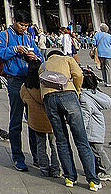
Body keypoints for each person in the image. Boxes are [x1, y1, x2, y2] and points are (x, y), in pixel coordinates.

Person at [40, 49, 100, 190]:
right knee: (81, 139)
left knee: (61, 140)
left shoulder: (43, 65)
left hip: (49, 99)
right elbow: (78, 74)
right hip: (68, 95)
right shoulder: (67, 59)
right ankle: (92, 180)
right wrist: (77, 90)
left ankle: (69, 178)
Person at [0, 10, 43, 172]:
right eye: (22, 24)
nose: (24, 28)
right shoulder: (4, 36)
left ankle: (37, 156)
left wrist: (34, 57)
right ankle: (17, 156)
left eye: (26, 25)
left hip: (30, 80)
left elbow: (39, 55)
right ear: (14, 21)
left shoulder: (29, 37)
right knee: (16, 120)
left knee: (33, 120)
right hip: (14, 80)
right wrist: (15, 49)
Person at [20, 61, 60, 178]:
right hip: (50, 120)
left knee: (40, 145)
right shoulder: (47, 85)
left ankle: (43, 168)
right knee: (54, 144)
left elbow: (23, 99)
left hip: (36, 121)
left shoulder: (26, 86)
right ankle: (56, 169)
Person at [79, 71, 111, 183]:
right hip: (98, 127)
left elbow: (85, 116)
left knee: (98, 151)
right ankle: (96, 169)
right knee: (96, 151)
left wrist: (80, 130)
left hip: (92, 130)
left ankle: (108, 171)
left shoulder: (84, 97)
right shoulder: (96, 94)